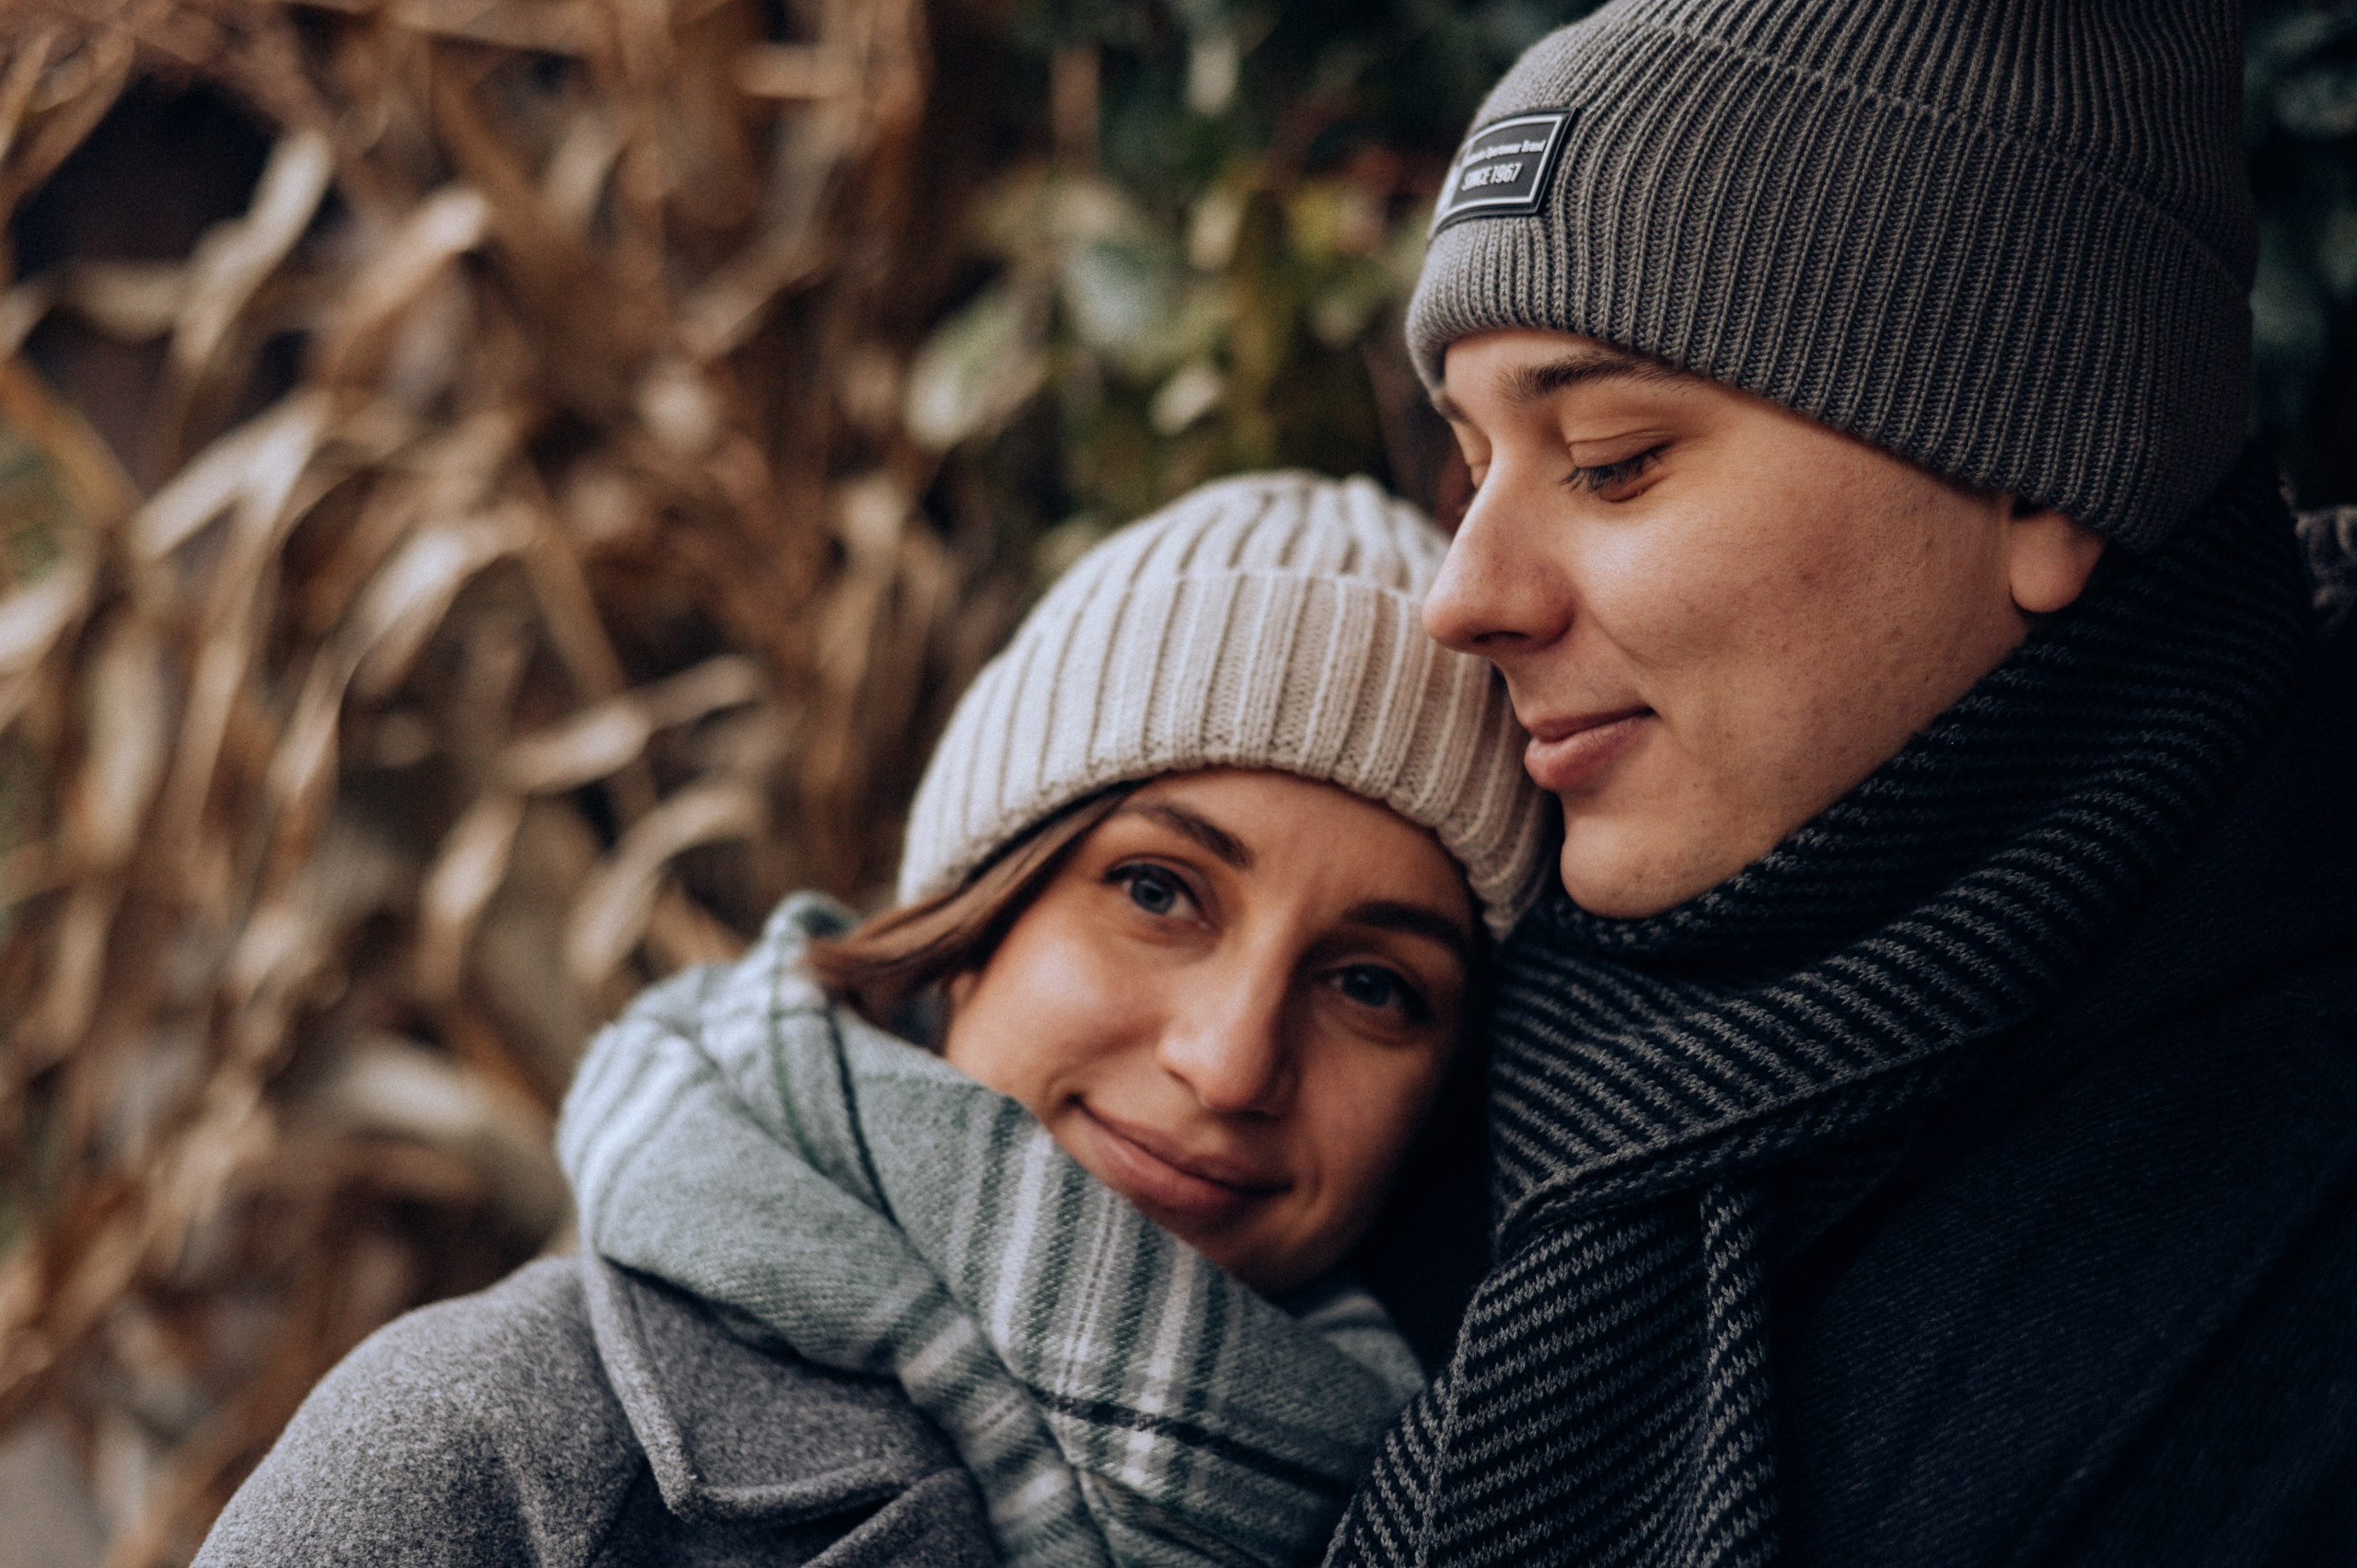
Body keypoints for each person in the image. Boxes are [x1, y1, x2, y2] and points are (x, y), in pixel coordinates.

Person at [1322, 6, 2357, 1568]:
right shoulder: (1431, 1023)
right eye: (1472, 470)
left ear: (2045, 467)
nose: (1462, 598)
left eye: (1610, 459)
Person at [192, 471, 1552, 1568]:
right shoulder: (495, 1449)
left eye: (1373, 984)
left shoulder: (1488, 1507)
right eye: (1158, 891)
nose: (1232, 1060)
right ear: (978, 912)